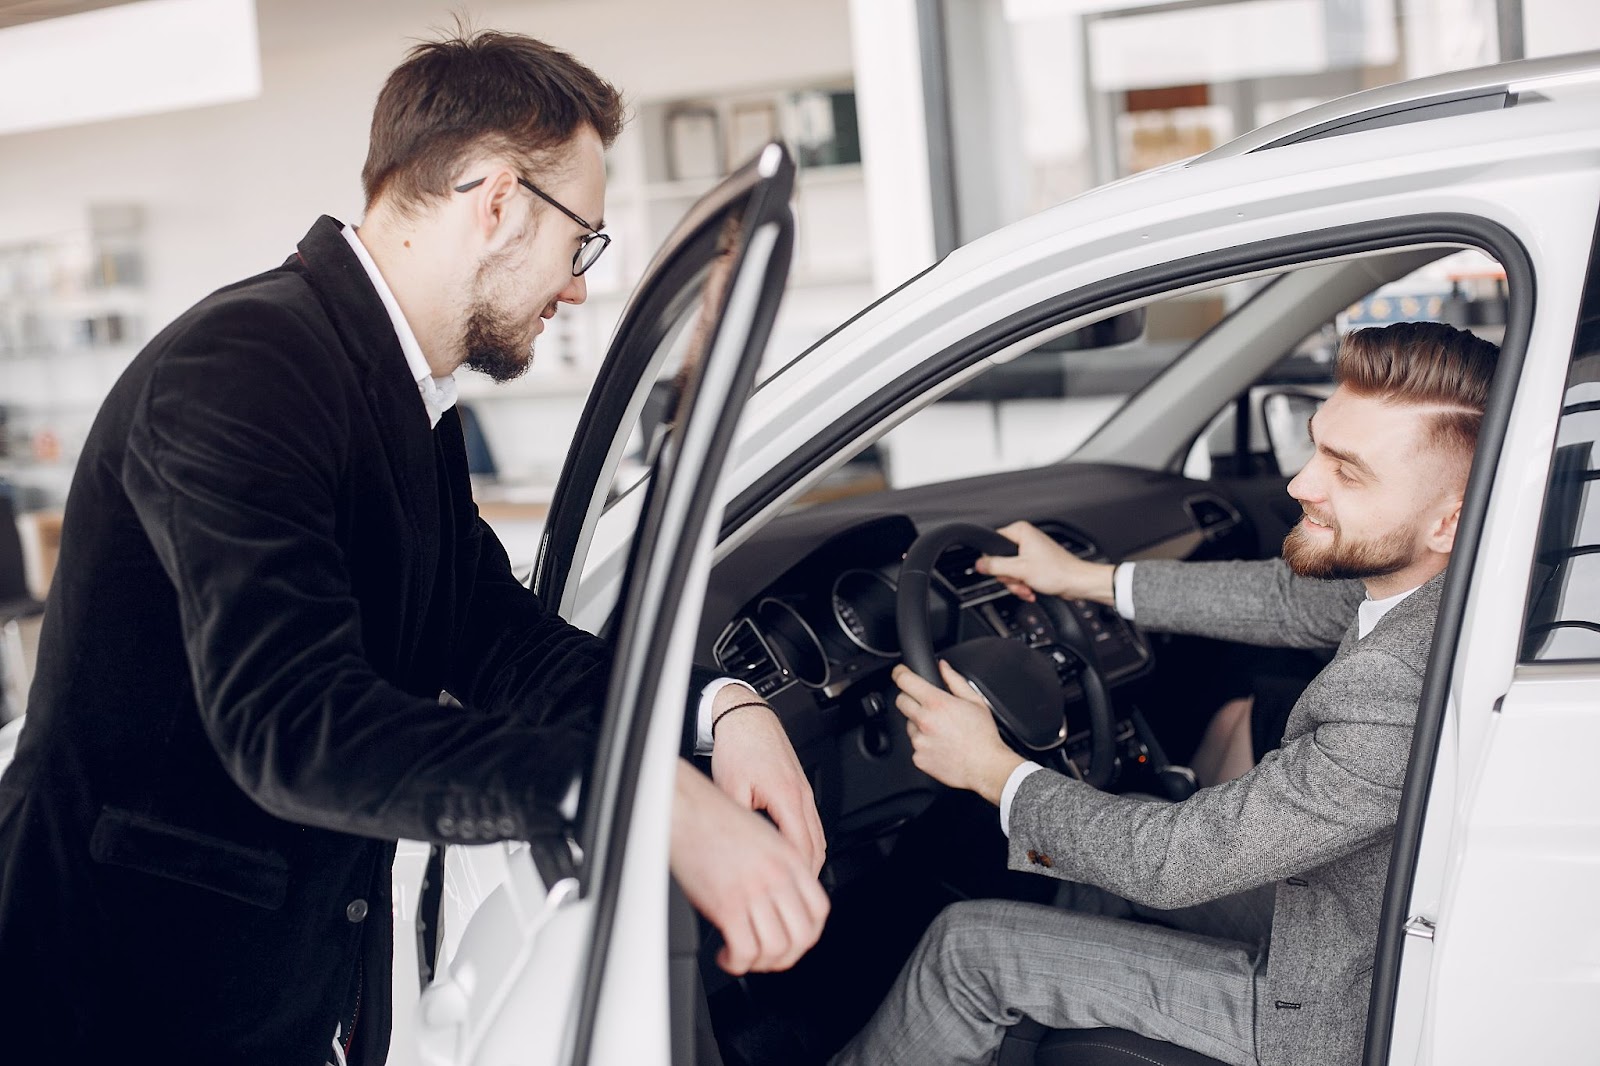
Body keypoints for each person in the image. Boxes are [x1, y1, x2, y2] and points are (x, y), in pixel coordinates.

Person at [0, 29, 827, 1066]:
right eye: (582, 243)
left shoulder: (398, 398)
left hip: (272, 994)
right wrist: (633, 792)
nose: (576, 287)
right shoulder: (241, 368)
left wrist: (719, 708)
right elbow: (294, 728)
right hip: (117, 999)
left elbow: (492, 640)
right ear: (497, 201)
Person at [832, 320, 1498, 1066]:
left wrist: (988, 767)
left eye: (1348, 471)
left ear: (1450, 521)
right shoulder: (1444, 587)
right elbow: (1285, 600)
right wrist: (1083, 580)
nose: (1300, 483)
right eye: (1315, 446)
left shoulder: (1395, 686)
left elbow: (1169, 864)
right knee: (1123, 831)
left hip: (1332, 1015)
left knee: (967, 950)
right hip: (1360, 925)